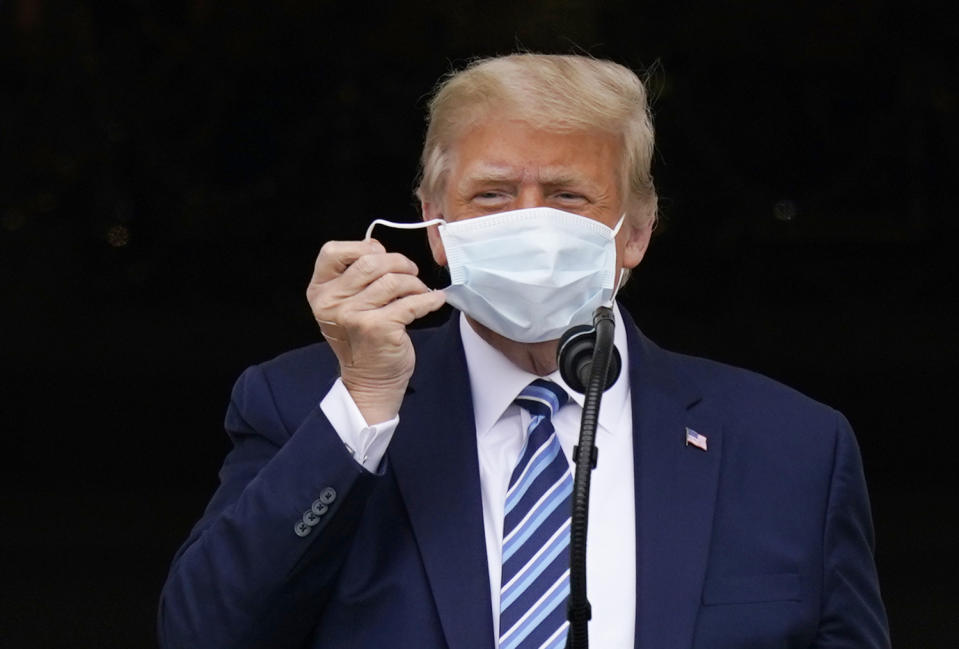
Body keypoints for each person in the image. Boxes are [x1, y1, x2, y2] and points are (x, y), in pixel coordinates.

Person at [157, 54, 890, 649]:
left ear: (634, 231)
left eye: (569, 196)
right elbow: (203, 632)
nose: (530, 221)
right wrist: (362, 408)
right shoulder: (306, 405)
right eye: (492, 195)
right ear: (435, 226)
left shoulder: (790, 446)